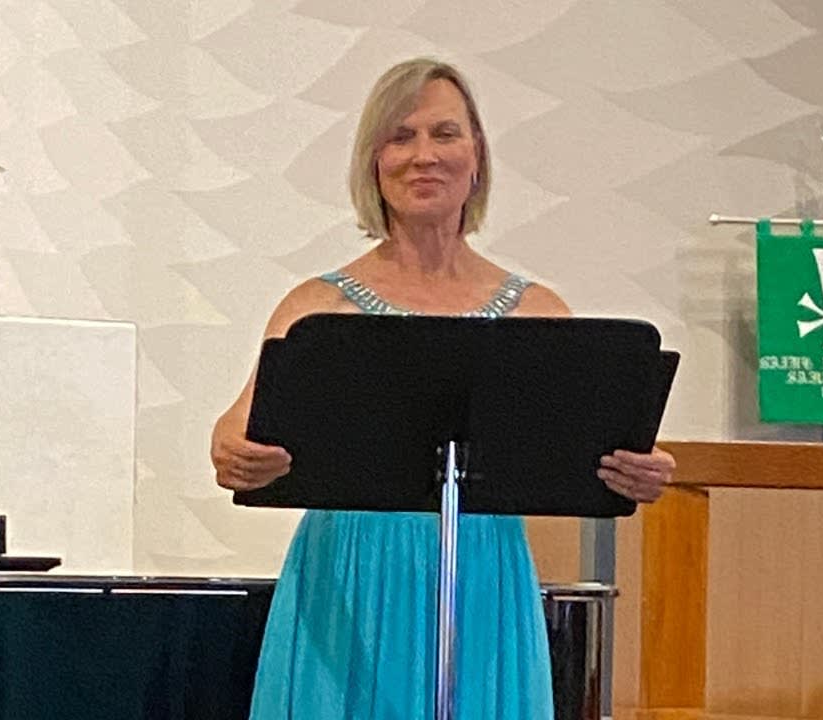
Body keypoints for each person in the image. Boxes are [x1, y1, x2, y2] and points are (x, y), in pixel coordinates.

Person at [211, 57, 675, 720]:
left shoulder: (538, 314)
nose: (424, 155)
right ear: (374, 162)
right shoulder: (318, 307)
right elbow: (235, 430)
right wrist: (236, 453)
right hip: (352, 577)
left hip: (484, 577)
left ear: (476, 155)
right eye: (401, 136)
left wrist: (639, 469)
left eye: (445, 133)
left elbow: (596, 448)